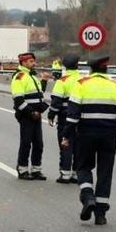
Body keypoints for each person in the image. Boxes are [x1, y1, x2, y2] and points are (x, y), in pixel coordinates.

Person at [61, 55, 116, 225]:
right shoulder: (115, 87)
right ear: (106, 69)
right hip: (108, 137)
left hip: (85, 135)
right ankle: (101, 214)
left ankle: (88, 197)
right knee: (105, 172)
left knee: (83, 167)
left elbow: (72, 115)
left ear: (90, 69)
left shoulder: (81, 85)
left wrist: (67, 135)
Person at [10, 52, 50, 180]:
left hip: (37, 115)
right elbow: (18, 100)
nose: (34, 63)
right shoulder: (19, 77)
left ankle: (36, 170)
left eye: (33, 61)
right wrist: (31, 112)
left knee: (39, 143)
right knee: (26, 143)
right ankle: (22, 169)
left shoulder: (32, 76)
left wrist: (43, 82)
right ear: (24, 62)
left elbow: (38, 95)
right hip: (27, 116)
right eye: (31, 61)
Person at [47, 53, 82, 183]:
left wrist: (51, 115)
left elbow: (56, 101)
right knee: (78, 146)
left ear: (65, 67)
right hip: (80, 118)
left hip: (65, 118)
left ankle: (65, 174)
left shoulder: (62, 81)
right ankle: (76, 174)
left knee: (65, 143)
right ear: (77, 66)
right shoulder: (82, 80)